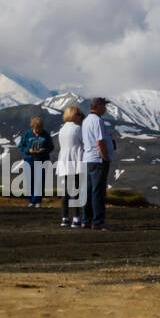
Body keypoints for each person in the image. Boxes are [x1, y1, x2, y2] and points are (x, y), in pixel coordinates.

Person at [81, 98, 113, 231]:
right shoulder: (97, 120)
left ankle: (86, 220)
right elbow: (100, 141)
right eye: (104, 106)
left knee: (88, 191)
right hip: (97, 160)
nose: (105, 108)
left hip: (88, 158)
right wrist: (105, 157)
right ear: (98, 106)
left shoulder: (86, 120)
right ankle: (98, 221)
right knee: (98, 191)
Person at [56, 106, 84, 227]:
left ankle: (65, 218)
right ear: (74, 115)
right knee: (77, 189)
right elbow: (84, 143)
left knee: (66, 191)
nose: (81, 116)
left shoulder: (62, 130)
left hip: (64, 160)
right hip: (76, 159)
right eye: (79, 114)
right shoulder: (78, 129)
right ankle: (77, 218)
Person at [18, 116, 54, 206]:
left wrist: (44, 150)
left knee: (40, 181)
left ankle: (38, 201)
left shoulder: (46, 134)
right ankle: (31, 201)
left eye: (40, 129)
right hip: (29, 160)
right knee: (30, 180)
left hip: (42, 159)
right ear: (32, 127)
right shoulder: (27, 134)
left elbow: (51, 147)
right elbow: (20, 146)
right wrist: (28, 150)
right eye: (36, 129)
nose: (38, 131)